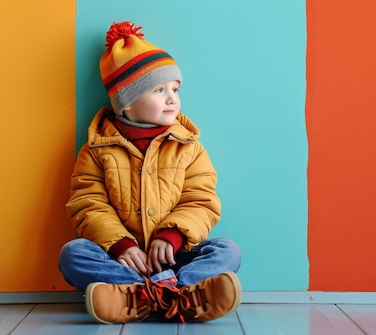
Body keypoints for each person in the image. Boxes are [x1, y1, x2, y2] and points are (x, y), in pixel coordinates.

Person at [58, 21, 242, 324]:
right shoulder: (96, 150)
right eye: (159, 90)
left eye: (175, 88)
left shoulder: (189, 147)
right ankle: (169, 297)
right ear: (127, 103)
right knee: (73, 253)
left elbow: (201, 200)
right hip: (123, 259)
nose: (172, 98)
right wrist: (121, 244)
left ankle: (152, 295)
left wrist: (172, 236)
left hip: (176, 255)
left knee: (227, 250)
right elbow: (87, 203)